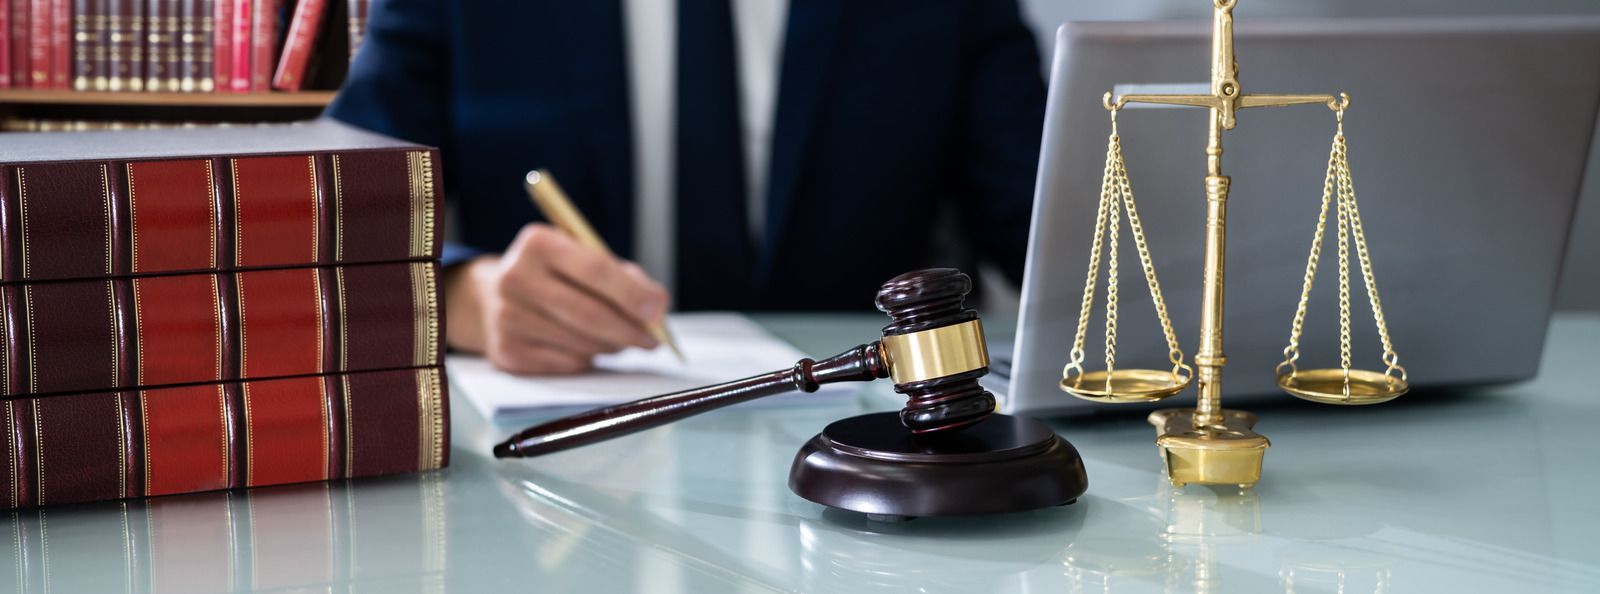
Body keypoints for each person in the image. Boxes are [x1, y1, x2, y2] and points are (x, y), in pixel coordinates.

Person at [327, 0, 1046, 374]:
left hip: (863, 448)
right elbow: (340, 226)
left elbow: (1059, 237)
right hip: (562, 444)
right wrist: (461, 300)